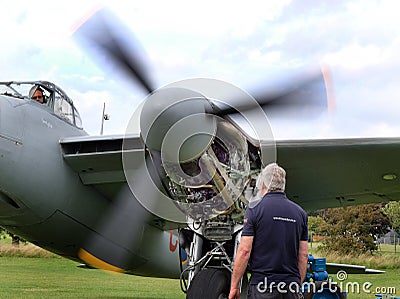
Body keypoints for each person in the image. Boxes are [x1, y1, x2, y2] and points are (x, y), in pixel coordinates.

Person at [229, 163, 308, 299]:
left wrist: (235, 286)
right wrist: (296, 285)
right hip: (291, 287)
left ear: (263, 183)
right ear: (283, 184)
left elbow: (244, 251)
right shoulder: (300, 213)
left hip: (262, 287)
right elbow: (303, 255)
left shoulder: (254, 209)